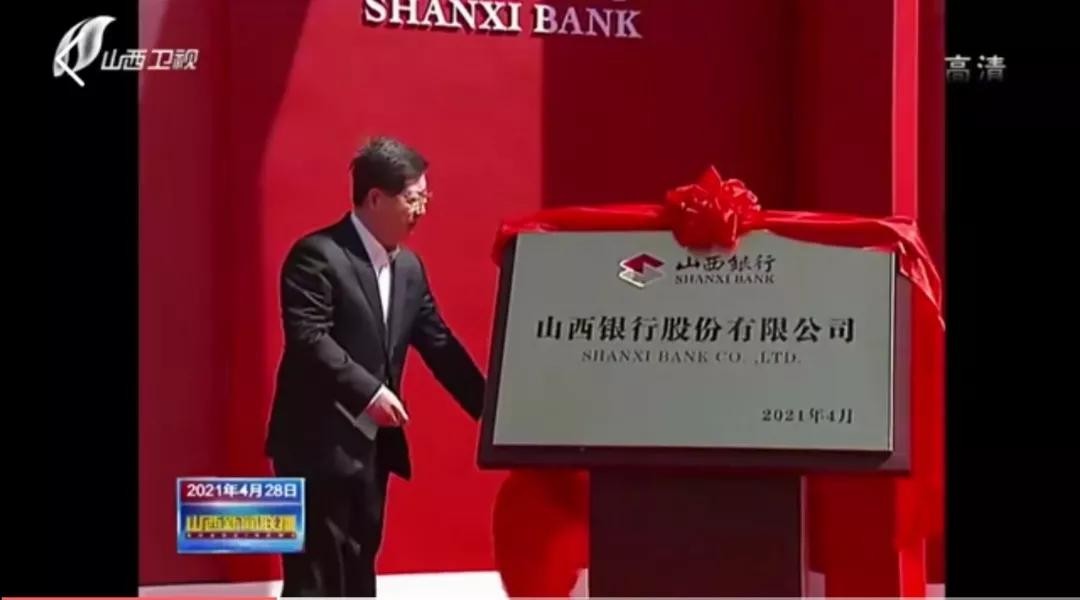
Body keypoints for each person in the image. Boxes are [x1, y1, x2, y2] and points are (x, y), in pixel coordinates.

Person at [264, 136, 486, 597]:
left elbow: (439, 343)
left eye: (426, 197)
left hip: (371, 450)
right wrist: (370, 393)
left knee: (360, 566)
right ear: (375, 198)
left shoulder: (409, 270)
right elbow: (309, 339)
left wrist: (492, 409)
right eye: (412, 198)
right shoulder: (317, 255)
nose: (421, 209)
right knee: (314, 576)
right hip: (314, 445)